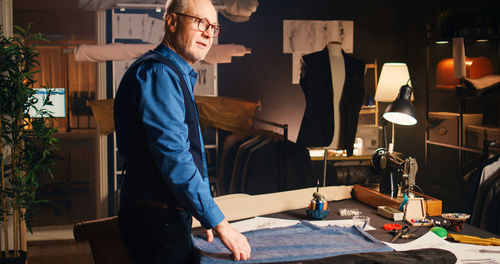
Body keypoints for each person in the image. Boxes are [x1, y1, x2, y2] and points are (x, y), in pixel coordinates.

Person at [114, 0, 251, 262]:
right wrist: (220, 223)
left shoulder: (173, 72)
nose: (209, 33)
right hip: (156, 221)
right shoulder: (159, 73)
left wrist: (201, 214)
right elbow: (175, 158)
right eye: (200, 22)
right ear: (172, 22)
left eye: (214, 27)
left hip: (164, 216)